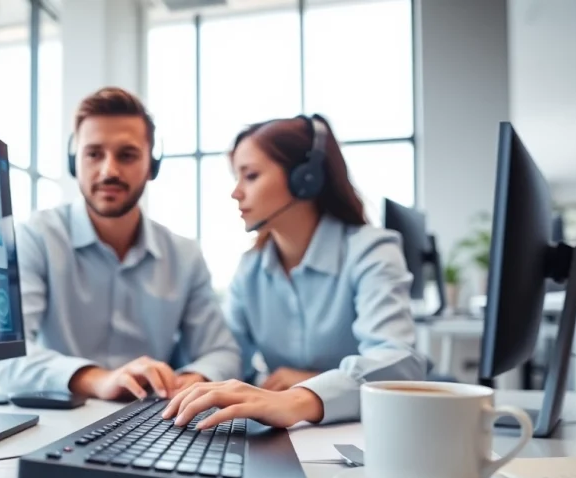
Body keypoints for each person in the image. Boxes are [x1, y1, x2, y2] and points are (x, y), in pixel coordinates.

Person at [163, 114, 426, 429]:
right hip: (291, 437)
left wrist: (304, 395)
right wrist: (200, 377)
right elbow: (232, 352)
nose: (236, 192)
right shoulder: (251, 269)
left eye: (250, 175)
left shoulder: (371, 250)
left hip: (369, 433)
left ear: (305, 179)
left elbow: (396, 363)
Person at [0, 87, 241, 400]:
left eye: (127, 155)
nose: (109, 171)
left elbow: (223, 354)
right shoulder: (35, 237)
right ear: (74, 161)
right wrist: (98, 380)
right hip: (62, 418)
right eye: (93, 154)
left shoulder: (185, 256)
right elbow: (4, 357)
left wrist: (189, 380)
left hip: (152, 414)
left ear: (152, 165)